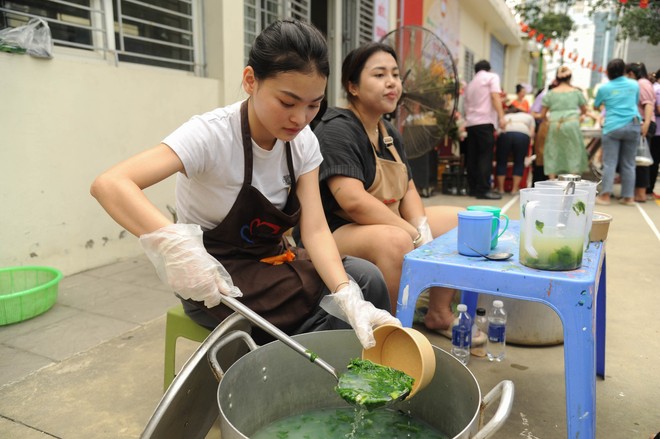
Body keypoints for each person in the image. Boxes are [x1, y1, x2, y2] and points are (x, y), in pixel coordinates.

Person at [89, 19, 398, 349]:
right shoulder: (212, 134)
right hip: (213, 278)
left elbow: (317, 231)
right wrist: (180, 249)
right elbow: (111, 184)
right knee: (313, 314)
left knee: (364, 280)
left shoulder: (304, 142)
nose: (300, 118)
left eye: (313, 104)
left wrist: (345, 294)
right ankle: (282, 381)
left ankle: (341, 370)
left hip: (272, 263)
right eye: (287, 102)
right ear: (251, 81)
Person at [312, 42, 478, 342]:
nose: (391, 83)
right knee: (395, 240)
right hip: (338, 229)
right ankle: (391, 335)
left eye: (395, 74)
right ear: (353, 86)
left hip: (384, 218)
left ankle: (439, 312)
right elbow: (352, 201)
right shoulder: (336, 128)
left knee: (460, 221)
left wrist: (422, 227)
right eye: (379, 75)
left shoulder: (388, 132)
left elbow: (409, 188)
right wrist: (411, 233)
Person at [593, 58, 641, 206]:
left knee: (610, 163)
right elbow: (636, 101)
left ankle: (606, 196)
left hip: (613, 126)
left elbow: (596, 106)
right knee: (629, 163)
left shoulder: (604, 88)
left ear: (608, 73)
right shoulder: (634, 84)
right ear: (624, 71)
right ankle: (628, 198)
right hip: (633, 124)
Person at [463, 60, 506, 200]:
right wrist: (501, 117)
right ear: (488, 69)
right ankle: (483, 189)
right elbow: (495, 96)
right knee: (485, 156)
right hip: (485, 121)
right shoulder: (492, 77)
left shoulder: (470, 84)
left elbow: (466, 105)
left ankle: (473, 188)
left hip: (471, 123)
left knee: (472, 157)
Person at [539, 66, 590, 179]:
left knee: (552, 150)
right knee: (573, 150)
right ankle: (572, 180)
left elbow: (543, 115)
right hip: (572, 123)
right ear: (570, 78)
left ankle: (552, 180)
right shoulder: (576, 92)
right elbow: (584, 110)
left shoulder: (551, 93)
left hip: (555, 123)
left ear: (557, 79)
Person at [625, 62, 656, 203]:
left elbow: (648, 104)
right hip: (642, 122)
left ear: (631, 73)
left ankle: (641, 193)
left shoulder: (642, 83)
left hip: (644, 122)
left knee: (641, 160)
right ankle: (638, 192)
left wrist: (646, 123)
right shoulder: (644, 82)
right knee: (638, 159)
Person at [495, 106, 535, 194]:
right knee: (519, 162)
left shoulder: (505, 116)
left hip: (505, 134)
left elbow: (498, 130)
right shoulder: (528, 116)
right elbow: (531, 133)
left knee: (501, 161)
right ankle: (514, 189)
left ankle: (501, 189)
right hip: (522, 134)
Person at [650, 68, 660, 198]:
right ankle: (648, 189)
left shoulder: (654, 87)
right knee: (654, 160)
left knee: (654, 160)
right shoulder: (658, 89)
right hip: (658, 130)